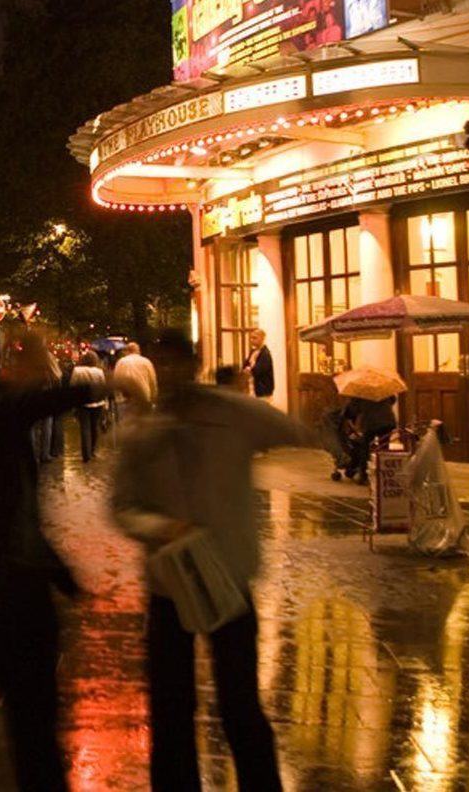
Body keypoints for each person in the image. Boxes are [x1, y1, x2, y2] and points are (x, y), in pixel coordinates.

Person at [111, 329, 314, 791]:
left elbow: (294, 430)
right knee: (171, 707)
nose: (171, 372)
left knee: (240, 703)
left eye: (178, 362)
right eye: (162, 363)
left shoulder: (232, 414)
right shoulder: (142, 431)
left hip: (228, 578)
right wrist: (161, 529)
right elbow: (121, 506)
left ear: (194, 363)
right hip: (169, 584)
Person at [0, 334, 104, 791]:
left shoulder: (4, 425)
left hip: (9, 585)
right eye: (37, 369)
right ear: (15, 366)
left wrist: (62, 574)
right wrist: (94, 389)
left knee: (19, 718)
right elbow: (20, 409)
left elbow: (22, 516)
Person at [71, 350, 109, 462]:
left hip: (82, 404)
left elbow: (72, 386)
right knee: (94, 428)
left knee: (85, 428)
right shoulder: (99, 371)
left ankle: (86, 454)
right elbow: (103, 387)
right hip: (97, 403)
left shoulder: (77, 371)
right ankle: (92, 451)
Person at [113, 340, 157, 407]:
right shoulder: (146, 362)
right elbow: (152, 381)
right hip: (143, 396)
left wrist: (117, 398)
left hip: (126, 398)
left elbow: (116, 380)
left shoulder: (121, 362)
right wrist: (153, 398)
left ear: (127, 351)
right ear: (138, 350)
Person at [243, 329, 274, 400]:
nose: (252, 340)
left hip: (262, 390)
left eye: (255, 338)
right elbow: (245, 365)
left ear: (262, 338)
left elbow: (259, 370)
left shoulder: (265, 354)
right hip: (252, 387)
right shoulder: (253, 351)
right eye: (251, 338)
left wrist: (249, 369)